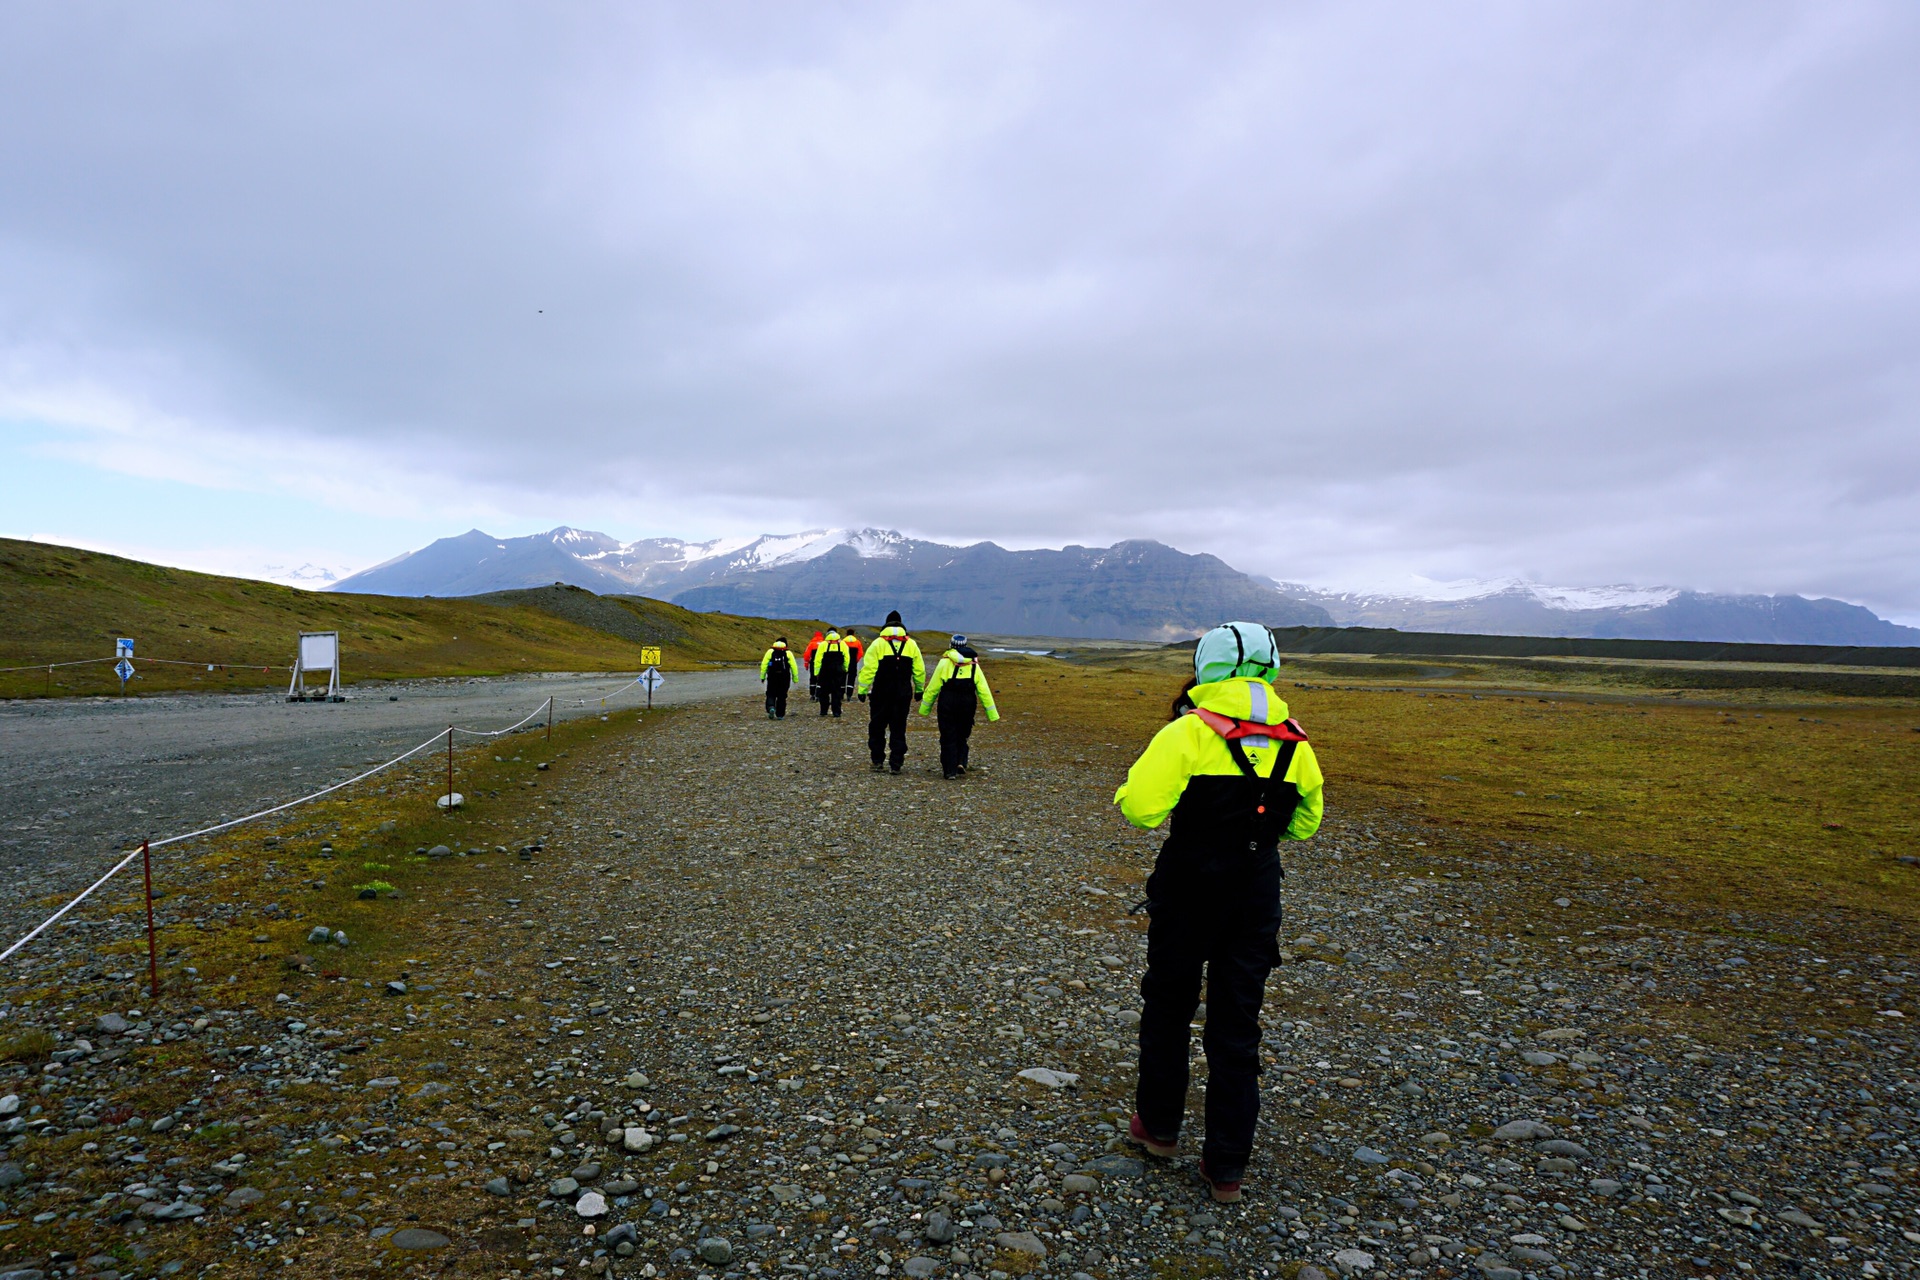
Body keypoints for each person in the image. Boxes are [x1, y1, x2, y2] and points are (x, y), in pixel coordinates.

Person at [1112, 621, 1324, 1203]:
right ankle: (1226, 1166)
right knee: (1237, 1027)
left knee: (1169, 1007)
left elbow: (1140, 811)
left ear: (1206, 667)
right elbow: (1305, 824)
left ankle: (1159, 1129)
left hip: (1187, 894)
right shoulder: (1296, 741)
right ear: (1271, 669)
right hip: (1254, 897)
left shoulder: (1187, 733)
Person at [918, 634, 998, 778]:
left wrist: (925, 708)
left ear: (951, 646)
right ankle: (961, 761)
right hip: (967, 702)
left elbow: (933, 687)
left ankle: (950, 771)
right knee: (962, 733)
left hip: (948, 701)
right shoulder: (974, 665)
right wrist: (991, 713)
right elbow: (983, 689)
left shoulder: (944, 663)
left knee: (948, 735)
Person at [855, 610, 925, 773]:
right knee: (898, 727)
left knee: (877, 726)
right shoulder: (911, 644)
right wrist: (919, 689)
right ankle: (896, 763)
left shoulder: (878, 644)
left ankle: (877, 760)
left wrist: (862, 689)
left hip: (881, 692)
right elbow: (919, 670)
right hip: (903, 693)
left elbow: (869, 669)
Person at [811, 629, 852, 718]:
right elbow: (847, 658)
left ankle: (823, 710)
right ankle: (836, 711)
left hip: (825, 671)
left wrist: (816, 672)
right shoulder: (842, 644)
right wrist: (845, 668)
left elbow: (818, 660)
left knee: (824, 692)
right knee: (836, 691)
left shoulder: (823, 644)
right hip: (838, 672)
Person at [758, 637, 800, 719]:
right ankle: (780, 714)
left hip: (772, 676)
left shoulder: (770, 651)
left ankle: (771, 707)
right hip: (784, 676)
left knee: (770, 693)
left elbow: (764, 665)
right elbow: (794, 666)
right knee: (782, 695)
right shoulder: (788, 653)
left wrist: (762, 676)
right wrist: (795, 678)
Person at [840, 630, 866, 703]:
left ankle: (841, 695)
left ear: (846, 634)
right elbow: (860, 653)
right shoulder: (857, 642)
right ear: (853, 634)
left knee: (842, 678)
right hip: (853, 662)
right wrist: (856, 660)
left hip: (844, 662)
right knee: (851, 678)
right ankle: (849, 695)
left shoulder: (843, 642)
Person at [801, 630, 825, 698]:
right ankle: (819, 694)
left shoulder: (811, 644)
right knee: (821, 678)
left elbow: (806, 654)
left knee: (813, 678)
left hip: (813, 663)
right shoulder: (824, 643)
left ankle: (812, 694)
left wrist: (806, 663)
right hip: (823, 664)